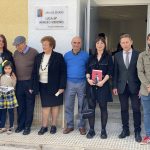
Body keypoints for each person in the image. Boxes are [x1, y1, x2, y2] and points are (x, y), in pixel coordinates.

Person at [32, 36, 66, 135]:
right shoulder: (38, 57)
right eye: (43, 44)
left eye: (45, 44)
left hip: (56, 86)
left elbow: (63, 72)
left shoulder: (58, 56)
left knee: (55, 106)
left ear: (51, 46)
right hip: (43, 85)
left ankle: (54, 125)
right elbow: (34, 72)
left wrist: (62, 86)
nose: (43, 46)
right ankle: (44, 126)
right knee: (45, 106)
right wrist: (33, 86)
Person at [113, 34, 142, 142]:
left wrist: (141, 88)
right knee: (124, 109)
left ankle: (137, 131)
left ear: (131, 42)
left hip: (135, 87)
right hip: (121, 87)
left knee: (136, 109)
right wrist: (114, 86)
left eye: (127, 42)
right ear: (120, 44)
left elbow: (141, 72)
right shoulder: (117, 55)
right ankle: (125, 130)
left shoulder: (138, 55)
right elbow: (115, 72)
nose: (125, 44)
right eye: (123, 42)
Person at [86, 36, 113, 139]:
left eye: (102, 43)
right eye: (98, 43)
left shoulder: (108, 57)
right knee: (91, 108)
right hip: (92, 86)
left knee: (103, 108)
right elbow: (87, 71)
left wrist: (102, 81)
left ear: (104, 45)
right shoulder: (91, 57)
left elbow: (110, 71)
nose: (100, 45)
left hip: (103, 86)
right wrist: (88, 79)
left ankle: (103, 130)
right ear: (95, 45)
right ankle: (91, 130)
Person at [63, 36, 89, 135]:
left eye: (78, 43)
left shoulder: (85, 55)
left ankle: (82, 126)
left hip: (82, 82)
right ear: (71, 43)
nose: (76, 44)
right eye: (74, 42)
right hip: (69, 82)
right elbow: (64, 69)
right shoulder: (66, 55)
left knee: (82, 105)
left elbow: (88, 68)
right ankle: (69, 126)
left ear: (81, 44)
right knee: (69, 105)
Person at [13, 36, 38, 135]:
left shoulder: (34, 52)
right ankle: (21, 125)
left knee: (29, 105)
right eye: (16, 45)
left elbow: (36, 70)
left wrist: (33, 85)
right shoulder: (15, 53)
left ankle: (27, 126)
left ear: (23, 43)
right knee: (20, 105)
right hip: (19, 83)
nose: (16, 47)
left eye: (18, 45)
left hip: (29, 83)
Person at [137, 33, 150, 144]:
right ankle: (148, 136)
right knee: (147, 113)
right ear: (147, 41)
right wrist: (148, 85)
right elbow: (140, 72)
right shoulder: (142, 55)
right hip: (146, 90)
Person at [0, 34, 14, 131]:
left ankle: (8, 125)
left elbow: (12, 68)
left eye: (2, 41)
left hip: (5, 83)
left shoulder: (8, 54)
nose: (0, 43)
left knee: (5, 107)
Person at [0, 60, 18, 134]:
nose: (7, 70)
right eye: (6, 68)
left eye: (9, 68)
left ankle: (11, 127)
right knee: (2, 111)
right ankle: (2, 126)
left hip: (10, 94)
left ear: (12, 69)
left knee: (11, 111)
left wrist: (14, 80)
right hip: (2, 95)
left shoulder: (13, 76)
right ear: (3, 69)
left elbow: (13, 86)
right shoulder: (1, 76)